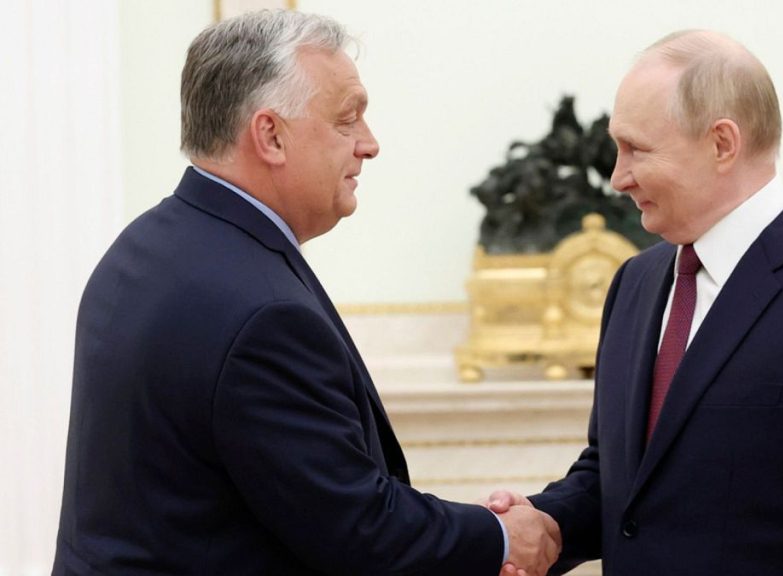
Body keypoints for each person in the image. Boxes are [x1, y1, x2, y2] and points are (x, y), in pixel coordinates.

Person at [52, 10, 559, 576]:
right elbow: (359, 528)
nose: (370, 145)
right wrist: (500, 537)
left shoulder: (145, 248)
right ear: (270, 135)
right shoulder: (259, 312)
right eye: (348, 120)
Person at [490, 30, 783, 575]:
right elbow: (620, 478)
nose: (617, 177)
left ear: (722, 143)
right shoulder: (634, 282)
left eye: (637, 149)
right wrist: (547, 524)